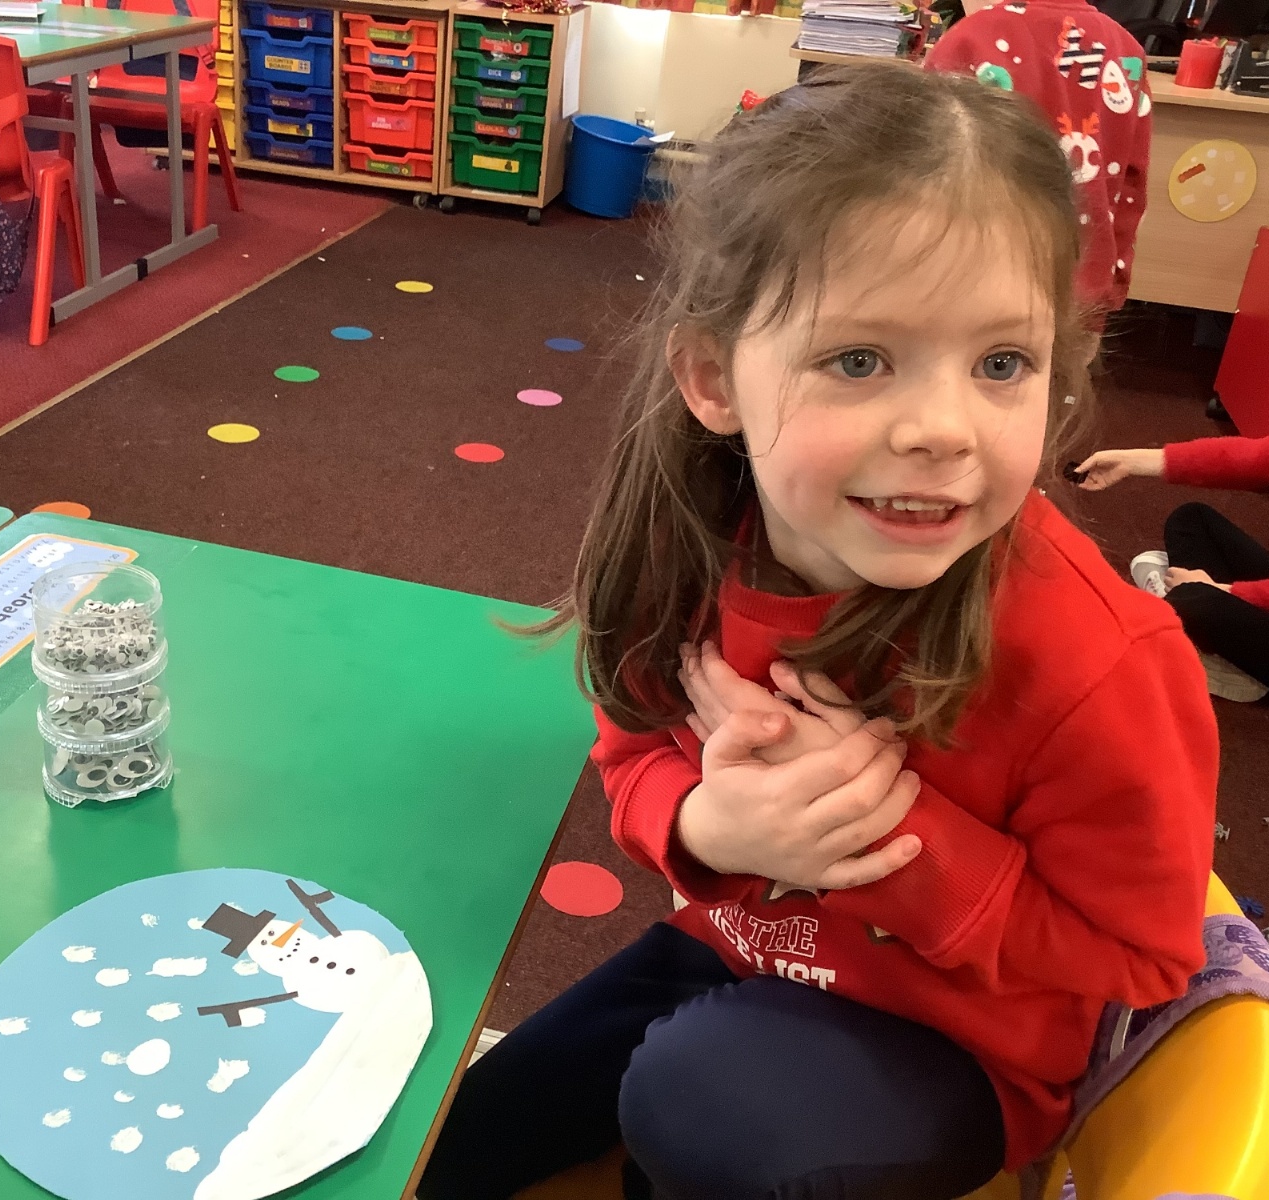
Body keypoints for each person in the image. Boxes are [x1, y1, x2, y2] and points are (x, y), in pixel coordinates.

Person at [419, 65, 1215, 1200]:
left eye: (1002, 363)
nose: (942, 430)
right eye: (858, 360)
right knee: (450, 1145)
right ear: (712, 379)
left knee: (696, 1106)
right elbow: (631, 751)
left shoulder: (1101, 661)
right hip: (737, 954)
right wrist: (711, 826)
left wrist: (889, 838)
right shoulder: (689, 541)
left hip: (957, 1047)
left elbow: (1144, 958)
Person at [925, 0, 1151, 323]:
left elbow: (927, 168)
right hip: (1084, 289)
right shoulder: (1126, 48)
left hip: (976, 279)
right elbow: (1133, 187)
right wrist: (1113, 284)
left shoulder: (968, 38)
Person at [1076, 434, 1269, 704]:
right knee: (1192, 519)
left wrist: (1218, 589)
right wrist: (1130, 461)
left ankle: (1195, 628)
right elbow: (1252, 458)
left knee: (1199, 600)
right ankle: (1202, 632)